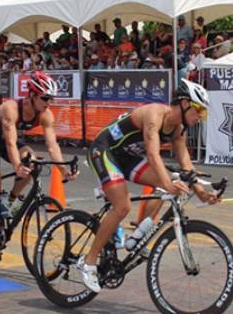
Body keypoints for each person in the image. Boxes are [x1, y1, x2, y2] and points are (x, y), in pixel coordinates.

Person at [78, 80, 219, 292]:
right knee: (122, 206)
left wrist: (201, 192)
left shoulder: (178, 129)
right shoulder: (155, 114)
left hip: (127, 157)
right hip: (104, 150)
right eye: (198, 109)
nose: (200, 116)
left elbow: (186, 165)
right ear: (183, 103)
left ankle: (139, 236)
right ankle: (88, 262)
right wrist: (167, 183)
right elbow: (153, 154)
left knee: (172, 181)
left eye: (203, 113)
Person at [0, 72, 71, 258]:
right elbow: (11, 143)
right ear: (32, 95)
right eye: (45, 98)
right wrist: (18, 166)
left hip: (7, 142)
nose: (48, 103)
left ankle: (9, 200)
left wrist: (63, 169)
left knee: (33, 162)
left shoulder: (45, 114)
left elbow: (52, 145)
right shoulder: (11, 108)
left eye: (50, 99)